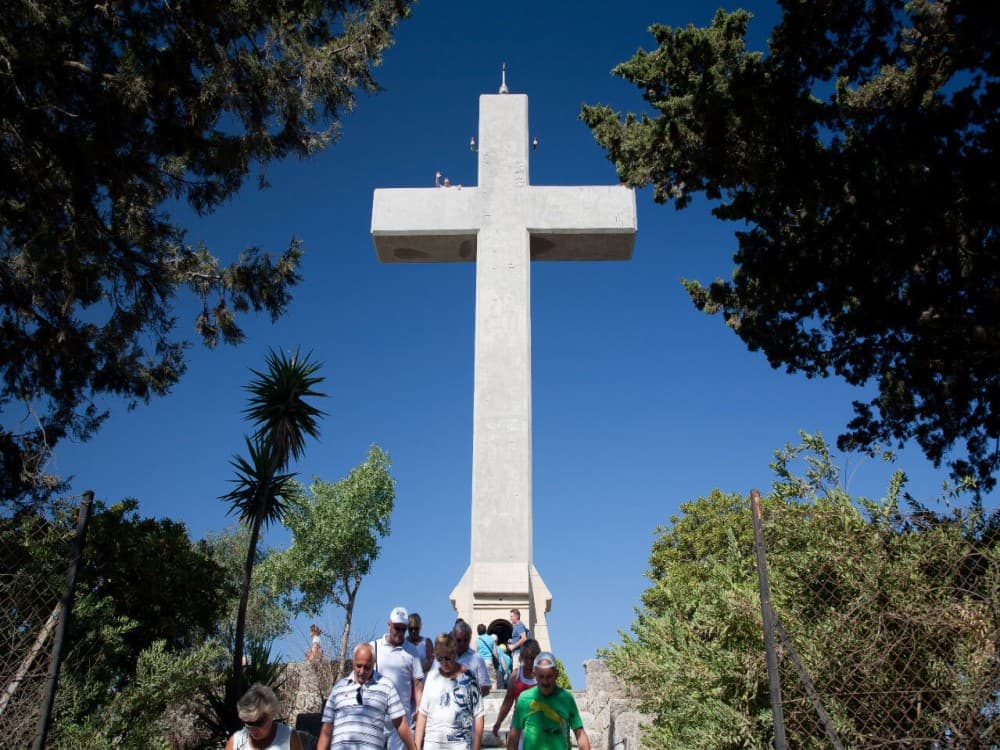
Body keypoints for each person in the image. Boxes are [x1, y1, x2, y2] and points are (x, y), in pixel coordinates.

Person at [317, 643, 417, 750]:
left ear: (373, 664)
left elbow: (400, 722)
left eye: (366, 667)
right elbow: (327, 729)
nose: (362, 671)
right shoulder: (338, 689)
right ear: (353, 662)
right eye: (358, 666)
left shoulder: (386, 686)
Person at [506, 651, 590, 750]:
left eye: (549, 676)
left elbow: (580, 734)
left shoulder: (566, 698)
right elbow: (514, 736)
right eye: (541, 677)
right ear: (534, 675)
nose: (545, 682)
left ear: (556, 674)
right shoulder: (524, 698)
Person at [414, 633, 484, 750]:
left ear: (454, 654)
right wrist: (416, 745)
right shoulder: (432, 676)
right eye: (439, 658)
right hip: (432, 744)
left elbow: (479, 715)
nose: (444, 663)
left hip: (459, 744)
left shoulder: (469, 678)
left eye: (447, 658)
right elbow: (422, 714)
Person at [371, 606, 425, 750]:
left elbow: (418, 683)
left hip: (401, 721)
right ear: (389, 625)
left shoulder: (412, 651)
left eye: (403, 629)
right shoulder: (374, 647)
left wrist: (419, 708)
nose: (400, 632)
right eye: (397, 628)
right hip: (377, 719)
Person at [225, 683, 303, 750]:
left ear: (271, 716)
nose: (253, 729)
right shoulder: (237, 741)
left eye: (259, 722)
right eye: (249, 723)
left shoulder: (288, 736)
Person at [491, 639, 540, 740]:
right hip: (519, 723)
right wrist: (498, 721)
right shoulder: (516, 675)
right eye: (527, 658)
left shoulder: (542, 676)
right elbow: (508, 700)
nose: (529, 661)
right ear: (522, 657)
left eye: (532, 658)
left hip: (538, 724)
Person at [452, 620, 491, 697]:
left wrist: (471, 698)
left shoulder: (477, 659)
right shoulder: (445, 658)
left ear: (470, 639)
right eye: (459, 640)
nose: (462, 643)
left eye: (465, 640)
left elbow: (485, 687)